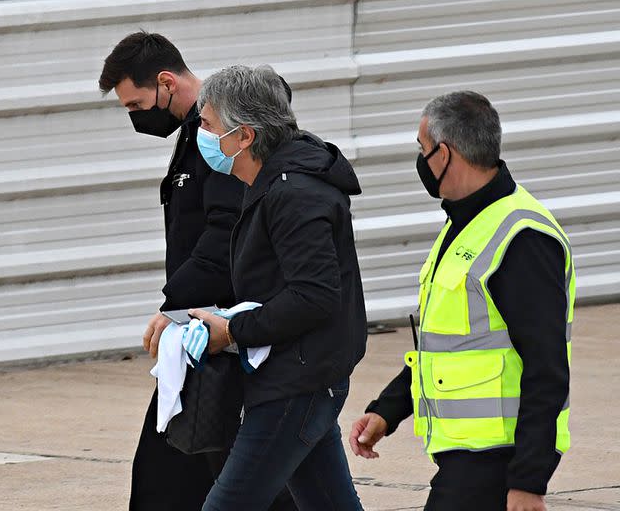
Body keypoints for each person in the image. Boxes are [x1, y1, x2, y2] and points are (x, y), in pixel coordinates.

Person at [349, 91, 573, 511]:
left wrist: (528, 480)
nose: (420, 159)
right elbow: (448, 348)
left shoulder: (521, 239)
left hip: (496, 459)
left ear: (445, 154)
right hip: (465, 457)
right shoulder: (464, 224)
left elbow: (547, 367)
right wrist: (388, 410)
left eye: (422, 148)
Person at [99, 33, 296, 511]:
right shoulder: (194, 135)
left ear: (166, 82)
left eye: (136, 105)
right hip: (201, 330)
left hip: (220, 327)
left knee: (191, 471)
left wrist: (176, 308)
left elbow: (224, 234)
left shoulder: (219, 135)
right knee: (190, 470)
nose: (135, 117)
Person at [189, 64, 368, 510]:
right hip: (301, 372)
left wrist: (232, 331)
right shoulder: (272, 183)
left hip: (297, 379)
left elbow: (314, 295)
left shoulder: (294, 193)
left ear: (244, 136)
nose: (201, 134)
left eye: (208, 125)